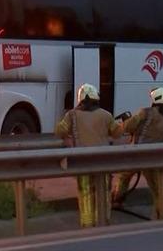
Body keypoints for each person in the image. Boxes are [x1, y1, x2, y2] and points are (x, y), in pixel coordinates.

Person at [54, 83, 122, 227]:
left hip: (82, 161)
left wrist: (68, 136)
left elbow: (60, 130)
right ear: (96, 98)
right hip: (103, 162)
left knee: (85, 193)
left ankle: (87, 225)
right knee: (103, 192)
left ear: (80, 99)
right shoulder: (106, 115)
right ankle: (103, 222)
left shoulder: (71, 115)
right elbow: (116, 133)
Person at [111, 86, 163, 219]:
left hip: (137, 154)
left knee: (124, 176)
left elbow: (128, 125)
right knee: (157, 189)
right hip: (155, 158)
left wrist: (115, 129)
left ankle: (117, 200)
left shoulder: (145, 112)